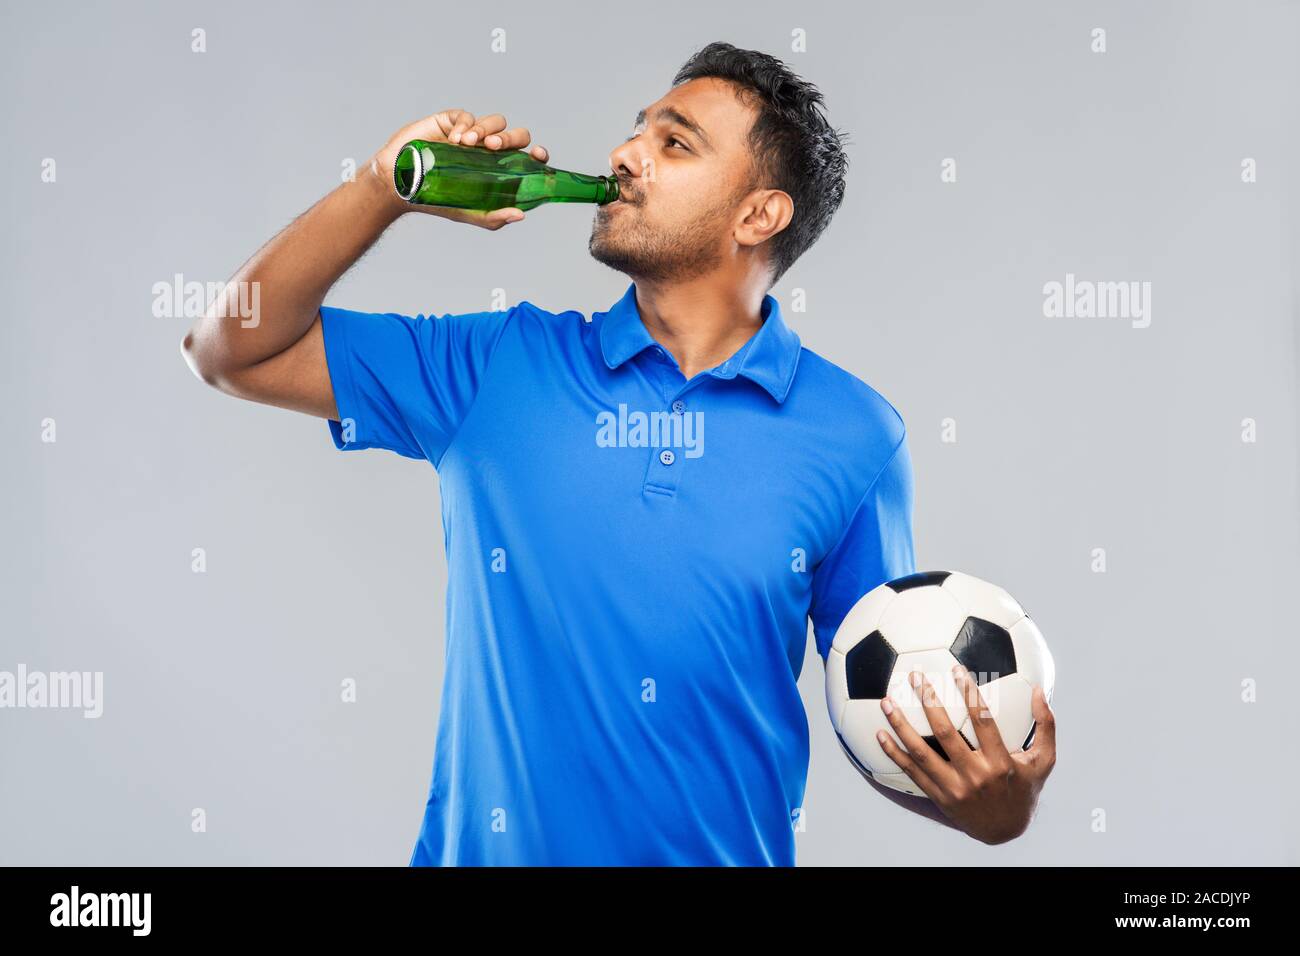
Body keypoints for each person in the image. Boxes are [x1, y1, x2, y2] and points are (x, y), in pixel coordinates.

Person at [181, 41, 1055, 865]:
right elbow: (231, 349)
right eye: (639, 130)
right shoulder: (496, 366)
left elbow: (883, 707)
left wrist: (992, 813)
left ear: (759, 214)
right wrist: (383, 187)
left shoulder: (857, 435)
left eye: (673, 144)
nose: (626, 154)